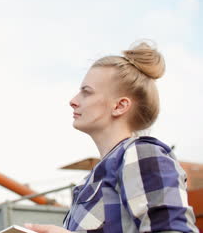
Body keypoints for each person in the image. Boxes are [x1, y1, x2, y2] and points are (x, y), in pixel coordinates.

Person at [24, 41, 198, 233]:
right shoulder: (92, 180)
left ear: (120, 106)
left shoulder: (142, 153)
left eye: (86, 92)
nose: (73, 101)